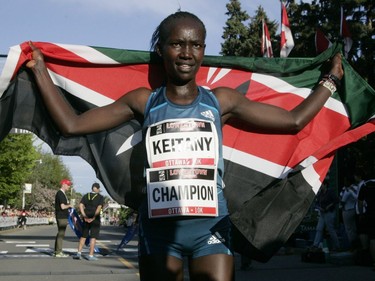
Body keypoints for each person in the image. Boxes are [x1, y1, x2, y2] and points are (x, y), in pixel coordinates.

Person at [26, 11, 343, 281]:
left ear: (203, 50)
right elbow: (72, 125)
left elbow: (294, 120)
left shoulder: (221, 101)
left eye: (195, 44)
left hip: (212, 231)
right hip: (159, 235)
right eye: (177, 44)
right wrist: (39, 70)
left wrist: (331, 80)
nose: (186, 53)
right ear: (161, 49)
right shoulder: (143, 101)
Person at [73, 182, 104, 261]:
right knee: (93, 237)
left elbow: (81, 205)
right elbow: (99, 208)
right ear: (97, 188)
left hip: (86, 217)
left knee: (83, 236)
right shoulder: (100, 197)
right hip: (95, 219)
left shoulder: (86, 195)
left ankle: (79, 253)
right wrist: (93, 217)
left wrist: (84, 215)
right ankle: (90, 255)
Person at [311, 179, 341, 252]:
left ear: (325, 185)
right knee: (319, 228)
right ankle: (315, 245)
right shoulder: (320, 193)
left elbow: (336, 200)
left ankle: (337, 246)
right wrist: (319, 207)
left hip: (329, 213)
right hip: (322, 213)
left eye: (321, 184)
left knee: (330, 229)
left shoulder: (330, 192)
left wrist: (329, 206)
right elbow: (317, 202)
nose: (320, 186)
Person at [356, 179, 375, 269]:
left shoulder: (365, 185)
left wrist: (360, 214)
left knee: (372, 238)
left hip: (370, 212)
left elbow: (360, 201)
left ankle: (373, 261)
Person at [54, 178, 73, 257]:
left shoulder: (61, 193)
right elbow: (62, 206)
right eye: (68, 185)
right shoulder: (60, 194)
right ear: (64, 184)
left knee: (60, 233)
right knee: (61, 234)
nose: (69, 187)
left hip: (61, 216)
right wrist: (69, 205)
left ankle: (57, 251)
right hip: (61, 216)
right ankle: (58, 252)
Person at [339, 176, 359, 250]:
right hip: (353, 209)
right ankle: (355, 244)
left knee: (349, 229)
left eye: (346, 181)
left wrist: (341, 204)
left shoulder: (348, 189)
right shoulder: (355, 187)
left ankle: (353, 245)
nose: (344, 182)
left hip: (347, 210)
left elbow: (343, 200)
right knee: (353, 228)